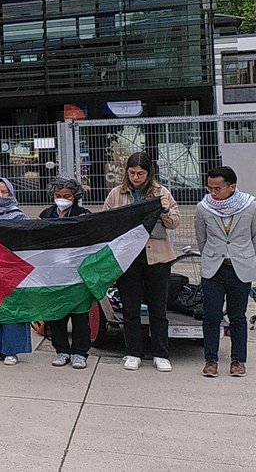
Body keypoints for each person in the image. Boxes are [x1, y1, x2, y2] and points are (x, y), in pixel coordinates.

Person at [103, 152, 180, 372]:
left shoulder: (161, 192)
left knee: (158, 308)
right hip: (128, 258)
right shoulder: (117, 194)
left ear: (149, 173)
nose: (136, 178)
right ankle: (133, 352)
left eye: (140, 174)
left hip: (157, 257)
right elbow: (105, 221)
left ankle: (160, 353)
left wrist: (164, 210)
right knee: (130, 308)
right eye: (132, 173)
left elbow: (174, 222)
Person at [195, 166, 256, 379]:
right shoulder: (203, 208)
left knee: (237, 317)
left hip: (239, 268)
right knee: (211, 315)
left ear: (232, 187)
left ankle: (238, 361)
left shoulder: (251, 207)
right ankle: (211, 360)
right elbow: (201, 238)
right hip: (213, 268)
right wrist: (212, 256)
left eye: (218, 188)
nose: (213, 193)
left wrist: (244, 257)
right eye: (209, 188)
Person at [38, 177, 92, 369]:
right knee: (56, 314)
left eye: (67, 196)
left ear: (75, 196)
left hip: (77, 273)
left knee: (80, 314)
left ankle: (80, 353)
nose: (62, 199)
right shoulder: (46, 214)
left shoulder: (83, 215)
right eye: (58, 195)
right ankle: (61, 350)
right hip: (53, 273)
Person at [0, 177, 33, 366]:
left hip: (13, 271)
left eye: (4, 192)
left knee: (13, 309)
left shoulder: (19, 217)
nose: (0, 195)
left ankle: (12, 351)